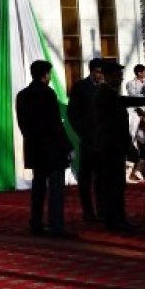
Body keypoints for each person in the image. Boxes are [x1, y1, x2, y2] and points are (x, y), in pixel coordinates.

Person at [93, 61, 145, 232]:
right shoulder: (105, 93)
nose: (120, 78)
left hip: (114, 146)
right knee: (113, 186)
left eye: (121, 75)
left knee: (116, 185)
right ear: (107, 76)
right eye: (117, 75)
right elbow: (120, 109)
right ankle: (114, 219)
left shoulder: (109, 93)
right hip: (110, 147)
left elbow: (124, 101)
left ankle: (117, 218)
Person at [16, 60, 72, 238]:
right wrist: (67, 146)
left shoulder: (22, 95)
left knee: (38, 188)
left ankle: (36, 223)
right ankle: (56, 226)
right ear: (45, 75)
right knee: (56, 190)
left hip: (34, 148)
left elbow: (22, 124)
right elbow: (55, 123)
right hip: (53, 149)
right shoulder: (48, 94)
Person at [67, 61, 103, 223]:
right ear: (91, 71)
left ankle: (103, 210)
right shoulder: (80, 87)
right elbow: (72, 113)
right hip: (88, 139)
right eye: (97, 71)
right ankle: (88, 211)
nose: (100, 75)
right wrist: (82, 132)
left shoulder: (106, 87)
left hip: (103, 139)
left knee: (102, 177)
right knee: (86, 176)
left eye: (102, 72)